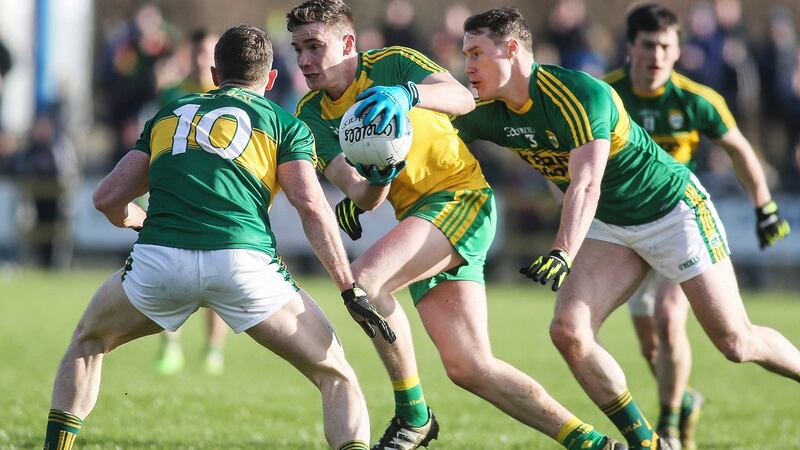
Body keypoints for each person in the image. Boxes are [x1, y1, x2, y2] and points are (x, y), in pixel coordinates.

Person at [454, 7, 800, 450]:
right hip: (612, 225)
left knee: (736, 342)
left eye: (476, 53)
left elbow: (586, 183)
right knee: (569, 333)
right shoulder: (484, 110)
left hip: (673, 211)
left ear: (511, 49)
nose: (467, 66)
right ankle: (648, 443)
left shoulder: (578, 93)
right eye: (466, 55)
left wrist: (562, 250)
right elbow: (432, 131)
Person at [288, 2, 624, 450]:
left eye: (314, 46)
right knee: (470, 367)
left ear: (348, 43)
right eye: (298, 49)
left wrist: (407, 94)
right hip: (419, 220)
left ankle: (413, 416)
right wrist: (379, 178)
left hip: (461, 197)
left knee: (365, 283)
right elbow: (362, 194)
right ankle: (591, 442)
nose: (304, 60)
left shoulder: (393, 62)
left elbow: (463, 99)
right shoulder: (310, 114)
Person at [42, 25, 394, 450]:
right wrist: (349, 287)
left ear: (214, 74)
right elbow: (311, 206)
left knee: (88, 341)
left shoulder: (169, 114)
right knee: (335, 374)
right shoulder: (284, 123)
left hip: (160, 263)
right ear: (271, 78)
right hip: (244, 265)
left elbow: (106, 198)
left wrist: (137, 219)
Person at [602, 5, 791, 449]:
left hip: (677, 221)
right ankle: (684, 401)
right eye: (648, 45)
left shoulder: (695, 99)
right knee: (651, 347)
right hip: (625, 228)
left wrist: (764, 206)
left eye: (665, 46)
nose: (656, 55)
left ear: (678, 51)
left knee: (672, 320)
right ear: (630, 48)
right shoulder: (605, 96)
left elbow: (740, 149)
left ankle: (668, 427)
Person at [153, 28, 228, 376]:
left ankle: (213, 350)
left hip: (217, 196)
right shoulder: (171, 94)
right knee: (170, 271)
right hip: (177, 193)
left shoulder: (229, 95)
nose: (201, 59)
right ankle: (170, 345)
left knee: (217, 274)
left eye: (208, 53)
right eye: (197, 52)